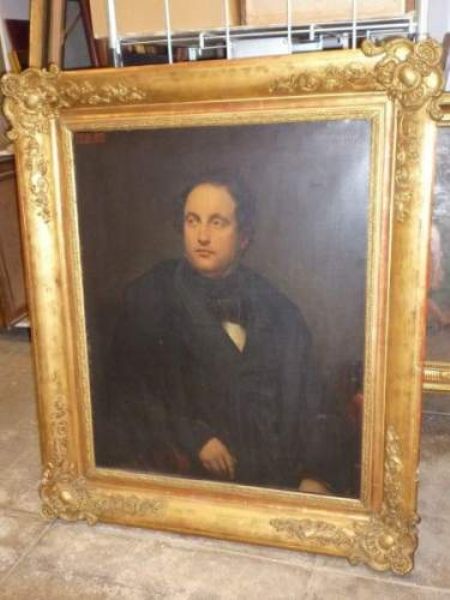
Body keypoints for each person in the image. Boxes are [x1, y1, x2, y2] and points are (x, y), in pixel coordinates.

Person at [99, 175, 344, 493]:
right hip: (197, 484)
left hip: (280, 483)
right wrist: (195, 438)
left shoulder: (279, 309)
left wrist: (315, 475)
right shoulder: (149, 297)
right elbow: (127, 395)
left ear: (244, 237)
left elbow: (313, 404)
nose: (202, 236)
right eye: (192, 221)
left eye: (217, 223)